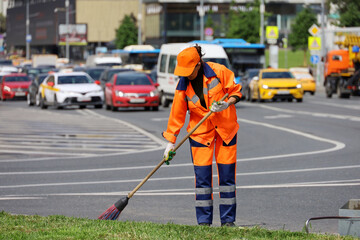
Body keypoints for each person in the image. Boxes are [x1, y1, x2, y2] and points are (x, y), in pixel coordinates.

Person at [162, 45, 242, 227]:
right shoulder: (182, 84)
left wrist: (226, 104)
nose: (186, 75)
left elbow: (236, 92)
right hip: (200, 134)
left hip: (225, 131)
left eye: (189, 71)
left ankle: (228, 222)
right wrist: (170, 142)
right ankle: (204, 223)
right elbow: (177, 114)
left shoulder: (219, 71)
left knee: (227, 179)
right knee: (203, 179)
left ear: (198, 64)